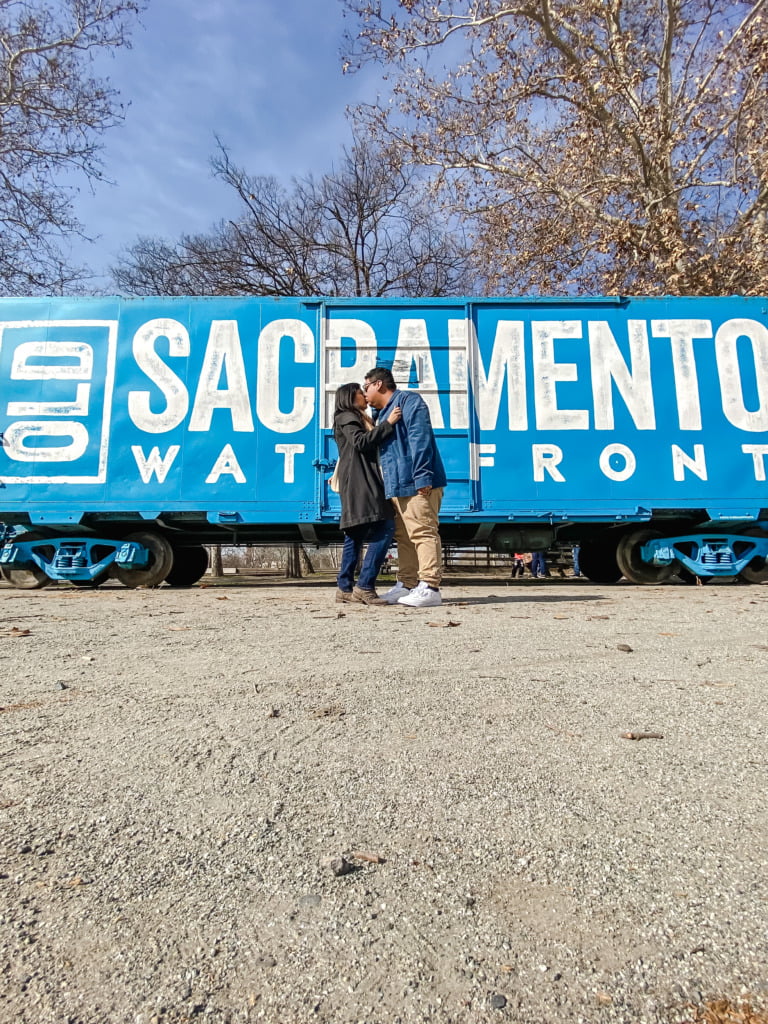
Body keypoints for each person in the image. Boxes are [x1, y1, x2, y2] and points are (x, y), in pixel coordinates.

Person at [362, 367, 447, 608]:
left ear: (378, 384)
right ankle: (407, 584)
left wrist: (422, 476)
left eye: (365, 386)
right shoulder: (383, 413)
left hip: (415, 481)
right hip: (397, 484)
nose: (364, 391)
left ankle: (430, 586)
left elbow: (419, 438)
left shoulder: (409, 401)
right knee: (404, 537)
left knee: (423, 532)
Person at [333, 383, 401, 605]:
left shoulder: (356, 417)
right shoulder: (346, 417)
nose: (364, 395)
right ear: (350, 397)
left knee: (355, 534)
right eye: (360, 393)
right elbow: (361, 442)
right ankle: (364, 586)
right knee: (385, 527)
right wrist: (389, 424)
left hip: (356, 481)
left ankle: (344, 588)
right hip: (361, 483)